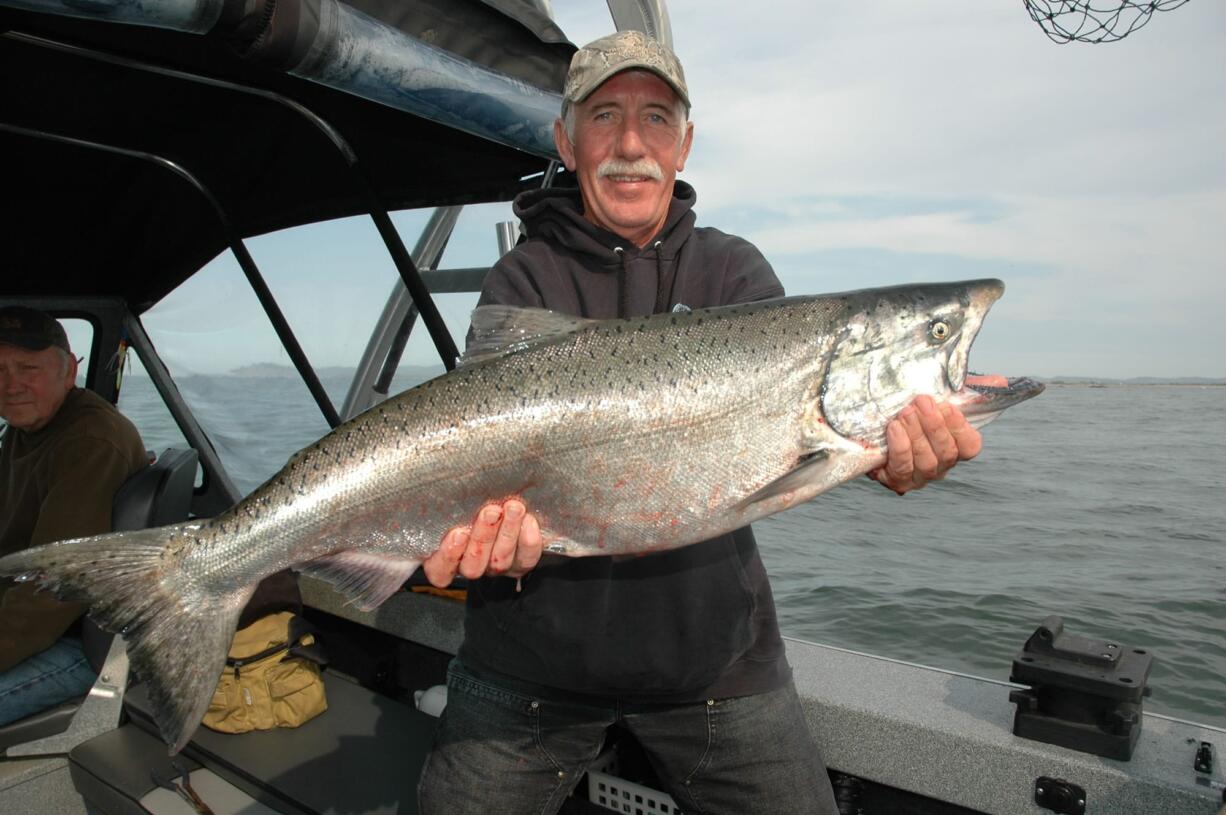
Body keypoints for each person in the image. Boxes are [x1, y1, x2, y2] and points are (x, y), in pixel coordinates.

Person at [417, 31, 989, 814]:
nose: (629, 144)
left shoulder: (735, 272)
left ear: (684, 145)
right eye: (604, 116)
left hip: (715, 665)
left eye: (656, 119)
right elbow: (484, 463)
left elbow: (804, 448)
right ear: (566, 140)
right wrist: (492, 544)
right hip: (528, 666)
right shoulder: (523, 277)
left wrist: (889, 458)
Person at [0, 305, 148, 726]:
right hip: (31, 618)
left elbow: (53, 592)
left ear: (69, 372)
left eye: (28, 368)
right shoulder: (29, 427)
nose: (11, 386)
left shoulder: (89, 442)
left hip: (76, 643)